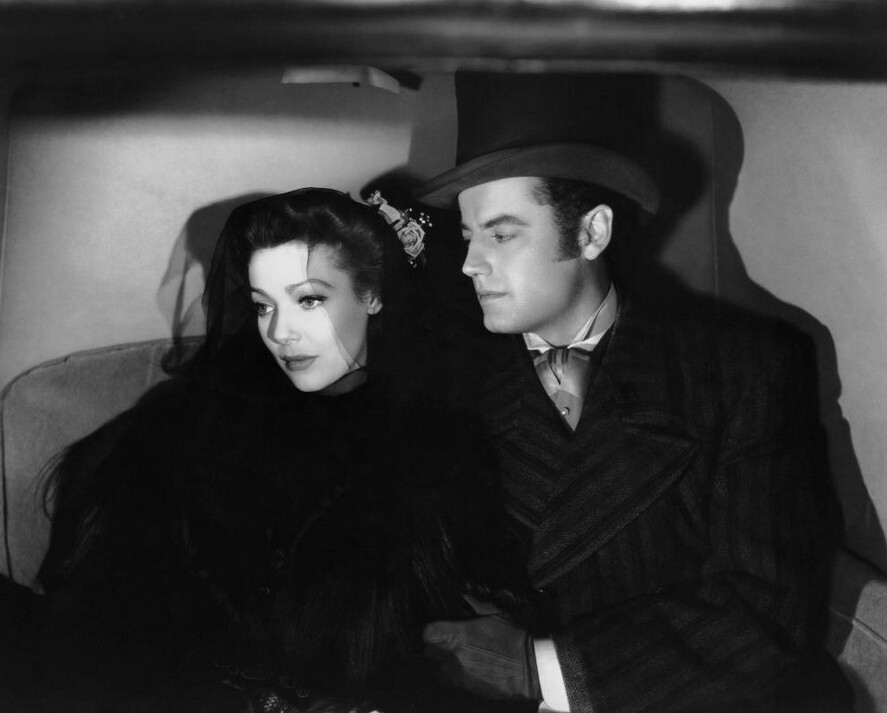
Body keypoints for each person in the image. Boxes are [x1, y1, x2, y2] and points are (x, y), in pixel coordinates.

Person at [414, 72, 853, 713]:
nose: (470, 264)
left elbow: (769, 610)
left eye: (501, 234)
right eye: (467, 235)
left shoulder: (746, 369)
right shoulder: (445, 381)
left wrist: (539, 670)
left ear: (592, 232)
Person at [5, 188, 535, 713]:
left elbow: (461, 637)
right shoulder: (211, 411)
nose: (280, 332)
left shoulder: (439, 439)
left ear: (373, 296)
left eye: (309, 300)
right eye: (264, 306)